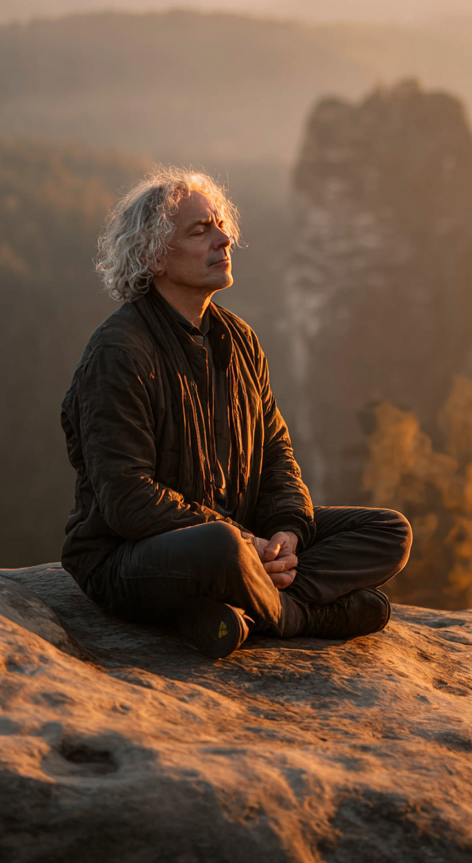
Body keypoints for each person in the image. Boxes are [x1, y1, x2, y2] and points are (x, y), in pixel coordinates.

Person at [60, 166, 411, 658]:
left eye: (221, 225)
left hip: (241, 538)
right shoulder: (120, 352)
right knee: (220, 547)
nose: (224, 239)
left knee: (388, 531)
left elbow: (276, 452)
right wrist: (245, 542)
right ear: (153, 257)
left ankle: (241, 610)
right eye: (200, 231)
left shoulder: (240, 340)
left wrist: (286, 533)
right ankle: (294, 615)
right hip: (133, 557)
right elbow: (128, 501)